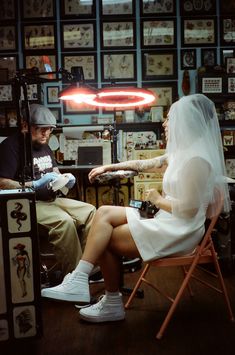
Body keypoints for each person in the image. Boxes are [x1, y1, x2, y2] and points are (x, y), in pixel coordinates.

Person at [41, 94, 230, 323]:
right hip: (169, 219)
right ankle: (80, 278)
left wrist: (157, 199)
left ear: (186, 123)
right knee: (103, 213)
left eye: (169, 119)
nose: (164, 123)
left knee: (106, 238)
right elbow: (143, 164)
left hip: (181, 230)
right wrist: (108, 166)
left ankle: (109, 301)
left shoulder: (196, 162)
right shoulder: (181, 155)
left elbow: (189, 211)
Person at [0, 104, 96, 276]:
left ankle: (85, 267)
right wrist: (34, 184)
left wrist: (64, 178)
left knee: (90, 212)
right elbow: (2, 182)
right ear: (24, 126)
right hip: (28, 203)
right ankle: (73, 278)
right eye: (41, 129)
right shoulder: (10, 147)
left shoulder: (44, 145)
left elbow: (54, 171)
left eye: (49, 129)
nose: (46, 134)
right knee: (64, 222)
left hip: (52, 200)